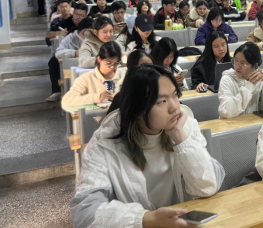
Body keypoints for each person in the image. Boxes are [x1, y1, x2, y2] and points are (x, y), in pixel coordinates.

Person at [71, 65, 224, 227]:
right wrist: (144, 219)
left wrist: (181, 139)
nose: (174, 107)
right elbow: (85, 212)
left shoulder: (185, 125)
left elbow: (207, 187)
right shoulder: (104, 142)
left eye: (175, 95)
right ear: (137, 109)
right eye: (162, 101)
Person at [217, 42, 263, 119]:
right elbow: (226, 111)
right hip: (232, 124)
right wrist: (249, 86)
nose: (237, 66)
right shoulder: (227, 79)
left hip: (255, 123)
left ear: (255, 65)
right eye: (235, 60)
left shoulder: (262, 79)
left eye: (242, 63)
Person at [62, 42, 124, 111]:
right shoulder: (87, 78)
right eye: (108, 63)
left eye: (116, 63)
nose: (112, 67)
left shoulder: (124, 75)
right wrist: (97, 97)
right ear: (99, 59)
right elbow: (66, 101)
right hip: (96, 116)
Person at [106, 50, 153, 115]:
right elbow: (111, 119)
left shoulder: (157, 92)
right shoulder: (122, 97)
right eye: (144, 65)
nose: (149, 69)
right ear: (132, 69)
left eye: (151, 66)